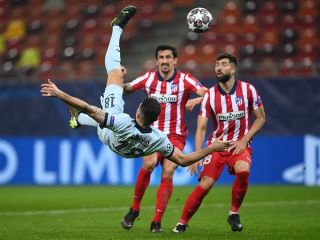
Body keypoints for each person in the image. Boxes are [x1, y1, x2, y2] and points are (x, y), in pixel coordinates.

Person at [40, 6, 230, 173]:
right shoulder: (159, 139)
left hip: (111, 134)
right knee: (97, 111)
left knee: (114, 74)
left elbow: (88, 107)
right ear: (155, 121)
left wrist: (59, 94)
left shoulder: (122, 122)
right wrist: (212, 148)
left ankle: (116, 27)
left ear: (138, 111)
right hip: (125, 151)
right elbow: (183, 160)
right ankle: (78, 119)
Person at [172, 53, 266, 233]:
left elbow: (261, 118)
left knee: (243, 171)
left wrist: (245, 140)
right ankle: (182, 223)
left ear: (233, 69)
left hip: (239, 143)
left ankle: (234, 213)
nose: (219, 67)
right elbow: (200, 128)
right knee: (205, 185)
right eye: (217, 64)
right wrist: (198, 154)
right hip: (217, 145)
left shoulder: (248, 90)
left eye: (223, 64)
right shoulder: (210, 96)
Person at [120, 45, 207, 232]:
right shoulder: (149, 78)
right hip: (151, 133)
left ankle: (156, 221)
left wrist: (197, 100)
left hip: (175, 136)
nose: (165, 60)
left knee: (168, 172)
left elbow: (209, 94)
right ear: (157, 60)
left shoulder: (185, 80)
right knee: (149, 164)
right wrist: (119, 77)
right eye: (161, 57)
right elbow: (126, 89)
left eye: (169, 57)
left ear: (175, 60)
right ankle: (134, 209)